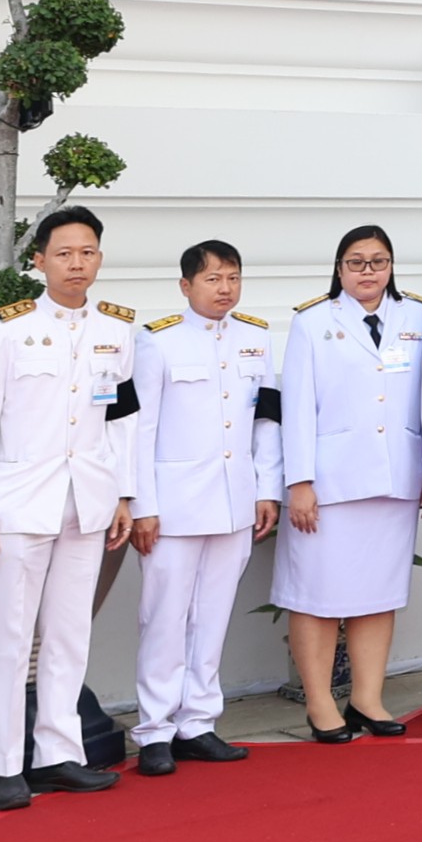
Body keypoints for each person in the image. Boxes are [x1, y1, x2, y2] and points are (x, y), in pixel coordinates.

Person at [0, 207, 139, 811]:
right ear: (38, 260)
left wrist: (124, 493)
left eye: (88, 252)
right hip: (19, 503)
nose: (77, 264)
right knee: (11, 634)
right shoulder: (7, 330)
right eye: (64, 253)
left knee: (69, 632)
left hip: (86, 500)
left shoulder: (118, 330)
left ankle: (58, 754)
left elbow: (122, 420)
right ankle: (1, 762)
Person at [126, 238, 278, 776]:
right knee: (165, 617)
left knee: (211, 618)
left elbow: (267, 421)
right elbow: (138, 431)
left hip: (234, 501)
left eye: (233, 277)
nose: (225, 288)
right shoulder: (157, 342)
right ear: (186, 285)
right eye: (213, 279)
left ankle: (198, 723)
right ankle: (155, 730)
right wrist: (142, 504)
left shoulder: (256, 338)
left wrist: (268, 489)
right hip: (173, 507)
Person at [277, 223, 422, 742]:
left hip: (395, 475)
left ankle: (367, 698)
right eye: (356, 262)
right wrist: (299, 481)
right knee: (317, 594)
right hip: (330, 482)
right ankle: (321, 704)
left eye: (378, 261)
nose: (368, 272)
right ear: (339, 268)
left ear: (391, 266)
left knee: (378, 591)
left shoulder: (419, 317)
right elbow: (295, 407)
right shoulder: (313, 321)